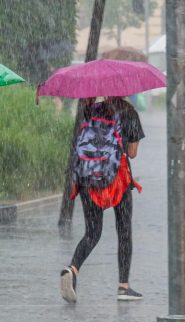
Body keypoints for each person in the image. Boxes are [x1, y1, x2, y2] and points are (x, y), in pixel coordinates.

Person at [60, 96, 145, 303]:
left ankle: (73, 269)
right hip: (117, 180)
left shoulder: (90, 110)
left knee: (92, 232)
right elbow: (132, 153)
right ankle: (123, 287)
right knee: (123, 230)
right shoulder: (129, 112)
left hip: (88, 179)